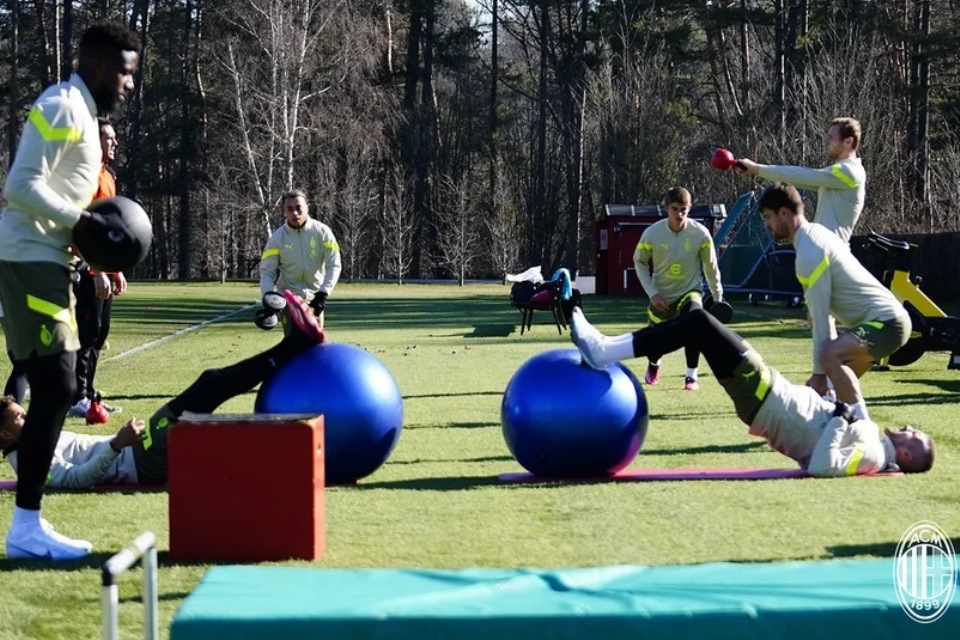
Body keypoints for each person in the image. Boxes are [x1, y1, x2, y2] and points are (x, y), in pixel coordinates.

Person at [0, 22, 141, 560]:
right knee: (58, 387)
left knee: (57, 387)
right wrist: (82, 222)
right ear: (102, 67)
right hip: (28, 260)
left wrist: (91, 253)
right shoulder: (61, 105)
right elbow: (20, 186)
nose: (130, 85)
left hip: (46, 260)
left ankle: (28, 526)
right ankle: (26, 529)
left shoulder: (84, 112)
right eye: (126, 74)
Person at [0, 291, 324, 491]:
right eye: (18, 416)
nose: (26, 414)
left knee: (209, 388)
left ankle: (290, 347)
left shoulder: (33, 440)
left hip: (137, 451)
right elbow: (76, 481)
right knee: (209, 387)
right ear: (3, 436)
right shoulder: (27, 459)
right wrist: (116, 444)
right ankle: (292, 346)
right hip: (139, 460)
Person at [569, 307, 934, 477]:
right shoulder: (874, 442)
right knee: (697, 321)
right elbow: (832, 431)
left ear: (906, 453)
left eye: (916, 435)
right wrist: (830, 404)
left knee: (700, 322)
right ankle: (605, 347)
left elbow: (822, 467)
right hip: (770, 396)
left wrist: (838, 418)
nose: (909, 425)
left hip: (768, 399)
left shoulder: (872, 453)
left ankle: (603, 350)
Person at [756, 183, 909, 421]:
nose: (767, 225)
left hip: (888, 324)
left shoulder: (809, 252)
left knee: (829, 357)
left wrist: (818, 372)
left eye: (768, 217)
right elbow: (818, 315)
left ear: (784, 213)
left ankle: (864, 430)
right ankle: (834, 425)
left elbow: (822, 317)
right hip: (881, 323)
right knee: (831, 394)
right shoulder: (817, 233)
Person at [632, 187, 723, 390]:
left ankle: (691, 376)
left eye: (683, 209)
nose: (679, 214)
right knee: (655, 341)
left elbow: (711, 267)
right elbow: (639, 262)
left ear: (689, 208)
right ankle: (654, 364)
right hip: (661, 295)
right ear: (667, 208)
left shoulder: (700, 234)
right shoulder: (652, 233)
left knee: (694, 320)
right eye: (675, 209)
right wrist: (652, 293)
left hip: (690, 291)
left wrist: (718, 297)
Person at [69, 117, 127, 417]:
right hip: (85, 269)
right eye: (109, 138)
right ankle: (76, 397)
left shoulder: (108, 176)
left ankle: (91, 396)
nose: (114, 143)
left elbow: (111, 230)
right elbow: (82, 230)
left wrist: (115, 268)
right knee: (87, 333)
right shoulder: (85, 177)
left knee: (101, 333)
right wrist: (97, 271)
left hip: (103, 269)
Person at [734, 117, 865, 244]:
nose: (826, 142)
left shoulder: (849, 172)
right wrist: (756, 171)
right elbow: (795, 179)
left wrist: (757, 169)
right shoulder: (836, 176)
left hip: (831, 253)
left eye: (831, 138)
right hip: (824, 250)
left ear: (848, 141)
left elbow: (801, 176)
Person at [258, 189, 341, 329]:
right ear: (284, 211)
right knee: (294, 344)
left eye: (298, 208)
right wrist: (268, 297)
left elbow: (334, 264)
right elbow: (267, 271)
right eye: (289, 209)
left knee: (317, 345)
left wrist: (323, 293)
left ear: (307, 207)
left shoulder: (323, 232)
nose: (294, 213)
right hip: (288, 298)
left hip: (315, 299)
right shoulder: (277, 238)